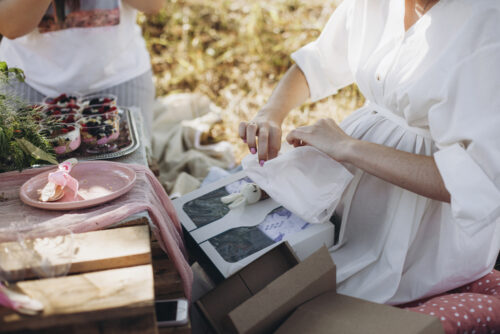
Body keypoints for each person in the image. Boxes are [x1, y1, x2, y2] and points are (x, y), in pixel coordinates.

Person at [240, 0, 499, 330]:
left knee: (307, 300)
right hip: (350, 178)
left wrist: (349, 148)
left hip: (423, 230)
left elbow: (473, 179)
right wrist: (270, 113)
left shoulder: (488, 24)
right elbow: (320, 60)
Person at [0, 0, 163, 132]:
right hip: (28, 82)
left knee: (131, 169)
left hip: (119, 80)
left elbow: (153, 4)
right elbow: (11, 25)